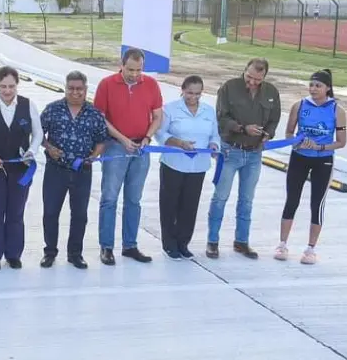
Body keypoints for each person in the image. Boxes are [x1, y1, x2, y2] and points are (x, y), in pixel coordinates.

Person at [93, 48, 163, 265]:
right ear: (121, 65)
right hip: (116, 147)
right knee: (109, 198)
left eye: (138, 70)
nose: (134, 74)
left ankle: (130, 245)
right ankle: (106, 247)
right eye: (130, 70)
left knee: (134, 200)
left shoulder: (151, 84)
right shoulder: (106, 84)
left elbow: (158, 116)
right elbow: (100, 118)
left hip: (141, 149)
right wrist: (123, 139)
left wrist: (148, 138)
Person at [208, 58, 281, 260]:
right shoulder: (229, 88)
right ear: (244, 70)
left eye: (258, 79)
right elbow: (221, 117)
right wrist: (242, 128)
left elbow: (274, 118)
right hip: (231, 151)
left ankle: (242, 242)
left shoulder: (271, 92)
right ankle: (212, 241)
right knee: (220, 197)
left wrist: (268, 134)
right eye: (249, 77)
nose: (252, 83)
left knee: (247, 200)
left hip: (254, 154)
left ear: (264, 76)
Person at [275, 69, 347, 265]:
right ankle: (282, 244)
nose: (313, 89)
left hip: (323, 160)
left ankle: (310, 249)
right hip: (299, 157)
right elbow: (289, 133)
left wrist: (320, 146)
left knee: (317, 203)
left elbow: (341, 142)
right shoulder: (299, 105)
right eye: (311, 84)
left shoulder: (337, 110)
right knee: (292, 199)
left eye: (318, 85)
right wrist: (297, 142)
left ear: (328, 88)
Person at [39, 71, 107, 270]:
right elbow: (37, 134)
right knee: (51, 213)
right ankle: (49, 252)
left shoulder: (94, 113)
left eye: (79, 89)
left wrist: (94, 155)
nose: (75, 92)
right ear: (66, 88)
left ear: (85, 90)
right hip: (56, 170)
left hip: (82, 171)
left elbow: (102, 140)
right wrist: (49, 148)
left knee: (79, 215)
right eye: (71, 88)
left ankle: (75, 254)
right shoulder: (52, 110)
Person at [0, 66, 42, 271]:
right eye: (3, 86)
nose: (7, 91)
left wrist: (31, 152)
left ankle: (13, 254)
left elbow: (38, 134)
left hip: (19, 169)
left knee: (16, 212)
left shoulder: (28, 105)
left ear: (17, 85)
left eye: (11, 86)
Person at [155, 75, 220, 261]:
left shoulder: (208, 111)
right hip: (174, 164)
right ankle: (169, 244)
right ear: (182, 90)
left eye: (197, 94)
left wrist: (214, 146)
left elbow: (215, 135)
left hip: (198, 166)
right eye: (190, 93)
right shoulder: (170, 109)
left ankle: (183, 243)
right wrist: (178, 142)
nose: (193, 97)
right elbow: (160, 133)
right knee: (170, 205)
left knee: (189, 206)